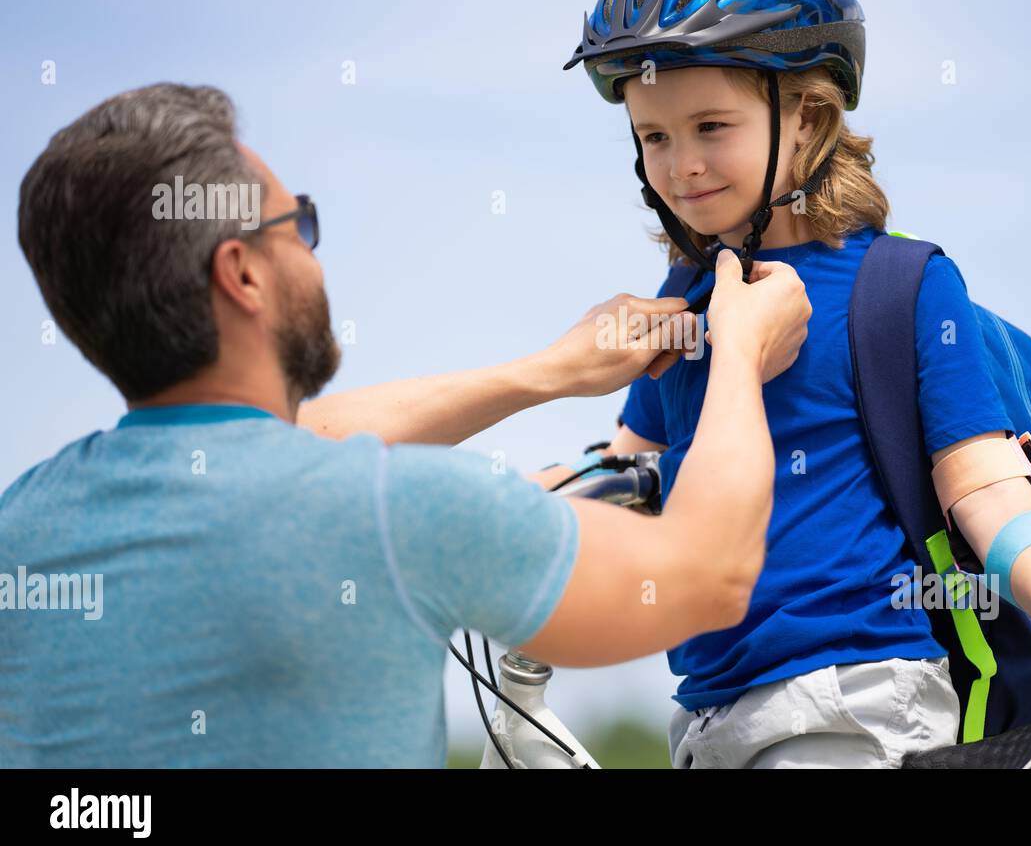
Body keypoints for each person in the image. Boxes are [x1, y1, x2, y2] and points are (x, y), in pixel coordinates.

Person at [0, 82, 812, 767]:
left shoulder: (24, 523)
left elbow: (285, 443)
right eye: (300, 226)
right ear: (242, 275)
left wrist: (547, 373)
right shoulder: (396, 511)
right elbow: (710, 575)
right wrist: (739, 356)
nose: (316, 255)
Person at [555, 0, 1031, 768]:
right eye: (655, 136)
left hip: (850, 698)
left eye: (710, 125)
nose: (681, 165)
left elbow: (986, 484)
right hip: (707, 717)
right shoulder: (684, 304)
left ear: (807, 116)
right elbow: (629, 480)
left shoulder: (900, 285)